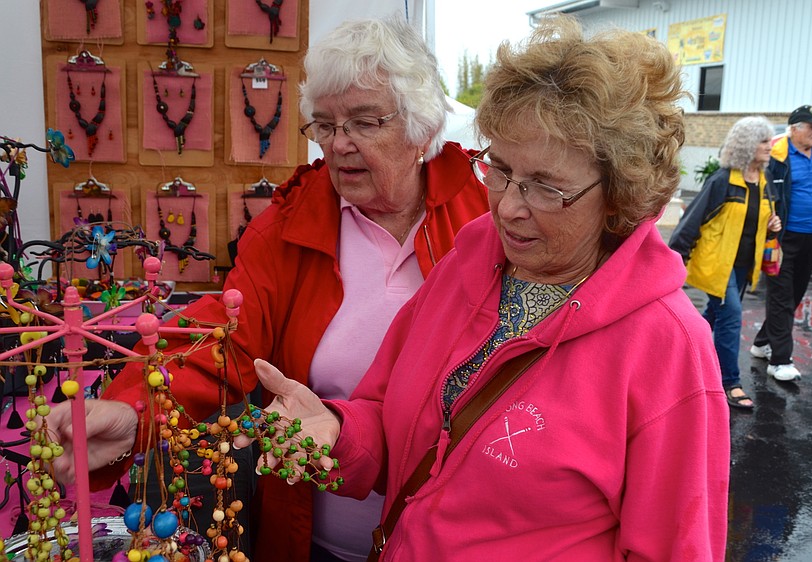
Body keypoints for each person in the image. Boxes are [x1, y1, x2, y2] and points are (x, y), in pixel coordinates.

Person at [247, 16, 730, 560]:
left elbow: (674, 547)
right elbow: (389, 414)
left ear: (621, 196)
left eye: (547, 188)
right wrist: (336, 430)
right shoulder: (469, 265)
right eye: (498, 170)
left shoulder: (668, 348)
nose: (508, 206)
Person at [48, 17, 489, 562]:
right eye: (325, 125)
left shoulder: (488, 219)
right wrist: (135, 407)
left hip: (452, 539)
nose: (339, 145)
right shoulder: (290, 225)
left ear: (422, 126)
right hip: (319, 536)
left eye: (363, 122)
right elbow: (223, 337)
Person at [669, 116, 782, 409]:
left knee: (716, 315)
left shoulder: (765, 182)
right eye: (763, 141)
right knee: (731, 315)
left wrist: (772, 226)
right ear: (746, 145)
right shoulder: (722, 180)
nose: (770, 146)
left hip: (746, 264)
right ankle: (728, 382)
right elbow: (691, 220)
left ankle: (681, 350)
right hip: (718, 264)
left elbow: (755, 221)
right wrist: (675, 259)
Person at [750, 105, 812, 381]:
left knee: (795, 295)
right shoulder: (777, 158)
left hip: (810, 239)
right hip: (782, 238)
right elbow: (763, 194)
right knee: (781, 297)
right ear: (794, 128)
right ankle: (780, 360)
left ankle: (762, 342)